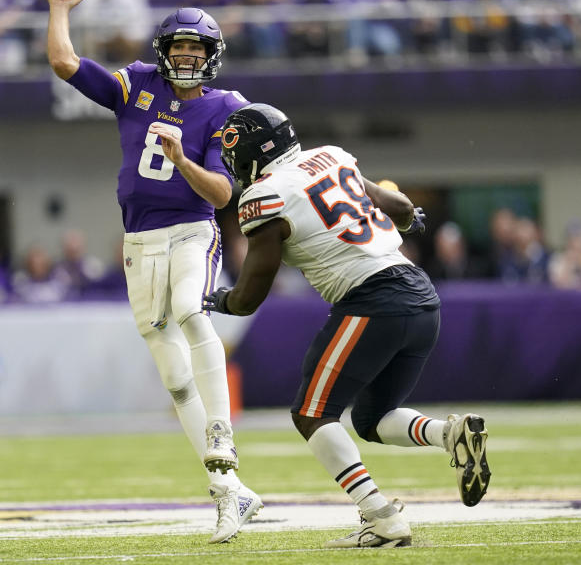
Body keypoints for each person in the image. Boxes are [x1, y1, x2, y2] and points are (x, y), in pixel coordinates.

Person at [203, 103, 491, 549]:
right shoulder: (331, 157)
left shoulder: (264, 196)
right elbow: (398, 206)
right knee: (372, 417)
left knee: (311, 414)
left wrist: (217, 299)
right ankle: (448, 434)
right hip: (421, 295)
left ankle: (380, 517)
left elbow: (251, 294)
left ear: (252, 152)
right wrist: (409, 220)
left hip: (372, 299)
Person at [45, 0, 261, 543]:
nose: (187, 57)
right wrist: (60, 6)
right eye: (179, 47)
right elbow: (64, 61)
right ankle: (230, 491)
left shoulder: (226, 108)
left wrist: (182, 159)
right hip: (138, 242)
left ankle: (222, 430)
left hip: (192, 232)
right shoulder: (136, 84)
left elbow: (219, 194)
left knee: (193, 312)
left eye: (197, 49)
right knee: (171, 372)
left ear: (211, 56)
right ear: (165, 51)